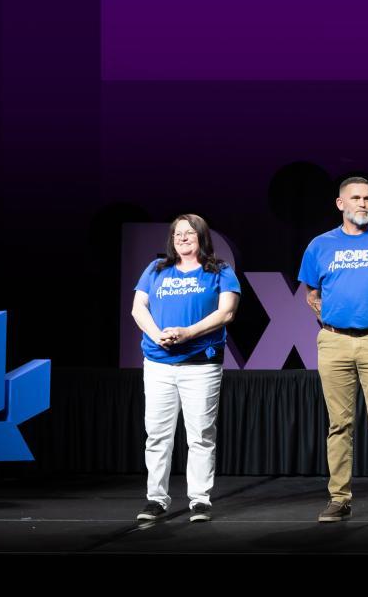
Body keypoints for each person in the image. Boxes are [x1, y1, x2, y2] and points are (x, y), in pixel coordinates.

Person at [298, 177, 368, 523]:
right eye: (356, 198)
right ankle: (339, 498)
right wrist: (331, 326)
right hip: (333, 341)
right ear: (340, 204)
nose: (364, 204)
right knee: (339, 425)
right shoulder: (319, 245)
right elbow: (312, 294)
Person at [132, 214, 240, 523]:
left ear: (202, 238)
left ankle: (200, 500)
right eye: (178, 233)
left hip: (200, 365)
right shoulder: (156, 269)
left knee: (201, 435)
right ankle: (156, 499)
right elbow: (138, 308)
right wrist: (159, 336)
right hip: (157, 364)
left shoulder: (219, 270)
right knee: (157, 435)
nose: (182, 238)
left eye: (189, 233)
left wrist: (187, 333)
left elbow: (226, 313)